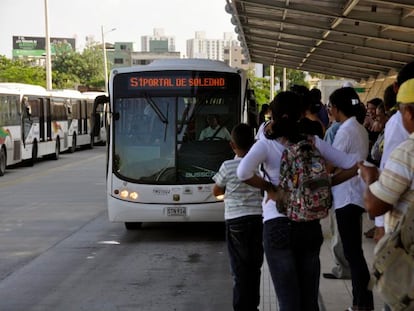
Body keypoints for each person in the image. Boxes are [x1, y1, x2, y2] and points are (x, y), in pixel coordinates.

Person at [237, 91, 358, 311]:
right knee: (309, 301)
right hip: (309, 224)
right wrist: (325, 184)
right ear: (301, 115)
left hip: (277, 224)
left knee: (288, 301)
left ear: (273, 114)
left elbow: (243, 172)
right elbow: (354, 164)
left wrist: (271, 188)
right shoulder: (313, 142)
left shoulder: (265, 144)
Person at [358, 78, 414, 311]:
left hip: (407, 258)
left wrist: (371, 177)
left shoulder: (407, 152)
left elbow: (375, 206)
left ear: (409, 112)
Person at [327, 87, 373, 311]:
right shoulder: (359, 128)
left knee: (353, 254)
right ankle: (361, 301)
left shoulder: (345, 130)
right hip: (355, 196)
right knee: (355, 253)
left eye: (330, 107)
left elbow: (333, 163)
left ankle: (361, 303)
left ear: (336, 108)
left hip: (347, 197)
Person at [212, 123, 263, 311]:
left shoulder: (228, 166)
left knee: (239, 269)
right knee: (255, 265)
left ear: (232, 145)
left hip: (235, 221)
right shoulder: (259, 164)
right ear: (253, 144)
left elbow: (216, 190)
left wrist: (226, 196)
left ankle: (242, 307)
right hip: (257, 218)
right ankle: (254, 306)